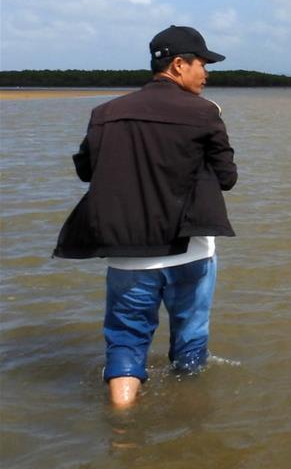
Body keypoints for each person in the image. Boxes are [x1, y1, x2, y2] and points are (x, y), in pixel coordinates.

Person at [54, 25, 237, 407]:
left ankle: (122, 421)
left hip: (128, 253)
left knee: (125, 338)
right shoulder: (205, 113)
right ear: (178, 64)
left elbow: (87, 171)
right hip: (191, 251)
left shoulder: (105, 113)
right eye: (203, 64)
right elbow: (227, 178)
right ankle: (188, 416)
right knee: (190, 337)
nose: (207, 74)